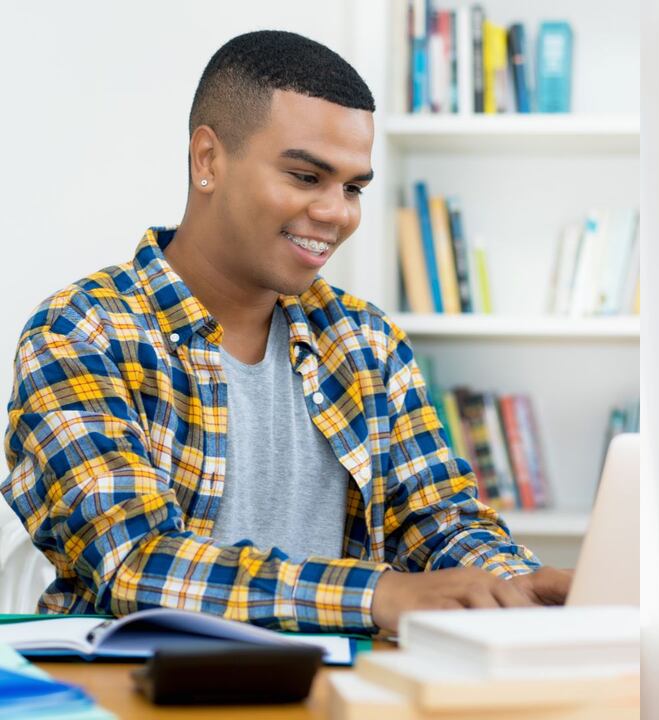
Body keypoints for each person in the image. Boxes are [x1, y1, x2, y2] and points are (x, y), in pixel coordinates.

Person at [1, 30, 570, 635]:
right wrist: (377, 595)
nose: (337, 213)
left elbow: (437, 521)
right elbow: (137, 565)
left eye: (353, 188)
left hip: (337, 692)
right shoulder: (81, 333)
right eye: (305, 177)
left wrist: (513, 587)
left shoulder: (365, 342)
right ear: (208, 161)